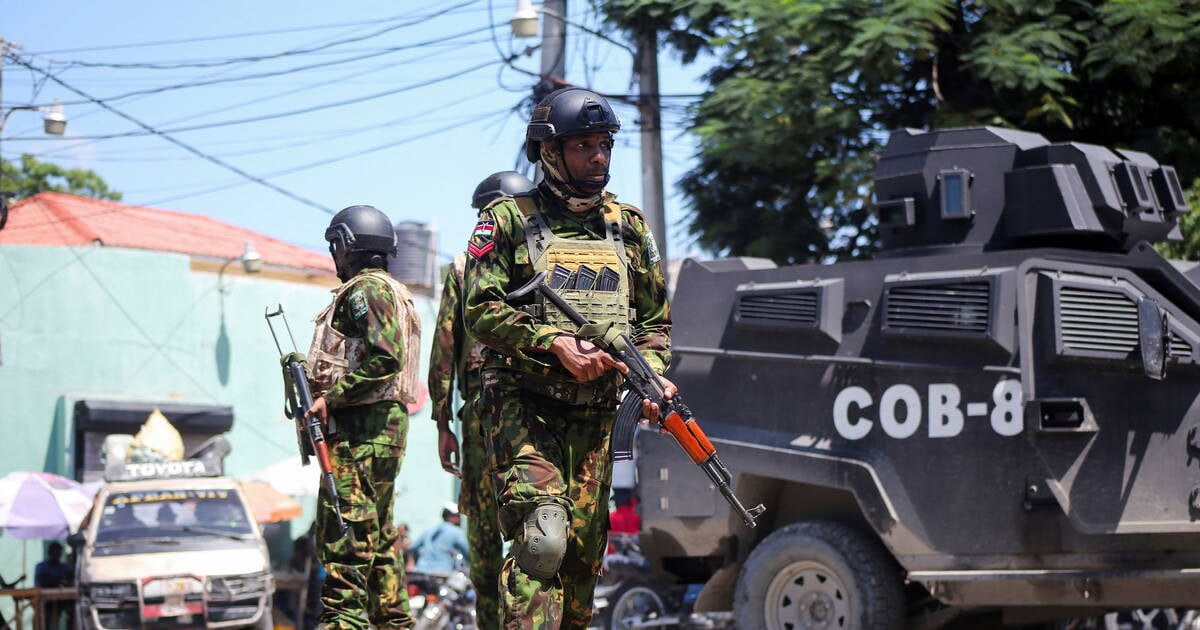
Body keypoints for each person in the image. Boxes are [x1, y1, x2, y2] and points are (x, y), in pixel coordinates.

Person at [462, 86, 673, 630]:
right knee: (544, 538)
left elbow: (653, 323)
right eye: (584, 145)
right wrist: (552, 342)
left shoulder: (629, 227)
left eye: (605, 145)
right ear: (549, 152)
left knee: (581, 564)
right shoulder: (507, 221)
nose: (599, 156)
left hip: (598, 413)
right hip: (523, 402)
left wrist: (650, 382)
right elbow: (479, 311)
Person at [305, 204, 423, 630]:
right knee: (380, 538)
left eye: (336, 247)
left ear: (347, 247)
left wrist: (329, 398)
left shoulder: (365, 291)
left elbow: (384, 359)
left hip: (362, 432)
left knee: (347, 539)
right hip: (382, 430)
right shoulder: (393, 290)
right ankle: (393, 622)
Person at [428, 169, 533, 629]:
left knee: (488, 538)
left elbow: (445, 347)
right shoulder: (547, 261)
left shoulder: (464, 266)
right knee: (536, 529)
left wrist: (441, 422)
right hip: (535, 417)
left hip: (483, 416)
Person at [410, 503, 471, 575]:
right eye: (458, 516)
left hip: (421, 572)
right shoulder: (456, 532)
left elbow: (412, 548)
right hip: (442, 574)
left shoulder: (429, 530)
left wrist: (410, 563)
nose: (460, 519)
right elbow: (468, 553)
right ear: (451, 516)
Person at [35, 542, 73, 629]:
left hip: (59, 600)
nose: (56, 555)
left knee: (69, 610)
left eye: (58, 552)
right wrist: (59, 580)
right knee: (42, 619)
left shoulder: (63, 568)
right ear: (49, 552)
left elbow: (68, 580)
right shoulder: (41, 566)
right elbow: (43, 581)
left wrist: (56, 580)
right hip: (42, 601)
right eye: (54, 552)